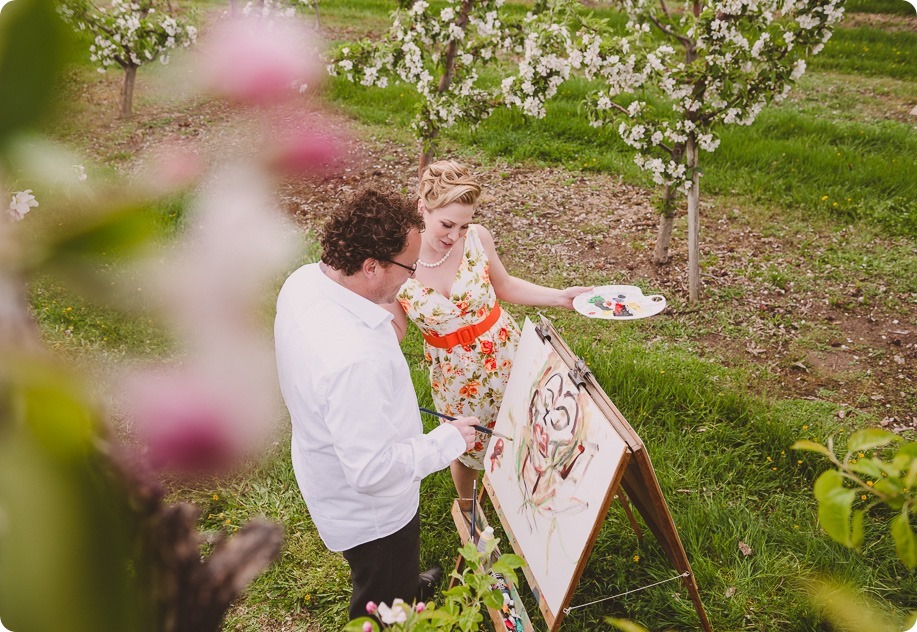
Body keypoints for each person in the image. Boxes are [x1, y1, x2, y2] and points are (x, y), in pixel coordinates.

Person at [274, 187, 479, 620]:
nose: (413, 276)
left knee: (393, 575)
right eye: (408, 266)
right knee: (379, 591)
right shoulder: (353, 360)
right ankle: (390, 606)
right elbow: (372, 471)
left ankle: (405, 587)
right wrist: (447, 441)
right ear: (371, 266)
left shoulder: (306, 280)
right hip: (373, 515)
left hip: (327, 456)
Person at [383, 160, 590, 511]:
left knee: (529, 425)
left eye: (463, 226)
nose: (455, 235)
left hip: (506, 351)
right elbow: (395, 329)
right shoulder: (397, 260)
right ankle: (469, 510)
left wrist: (560, 298)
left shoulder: (478, 239)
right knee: (465, 444)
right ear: (422, 207)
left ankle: (536, 497)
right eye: (447, 224)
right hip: (455, 375)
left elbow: (504, 285)